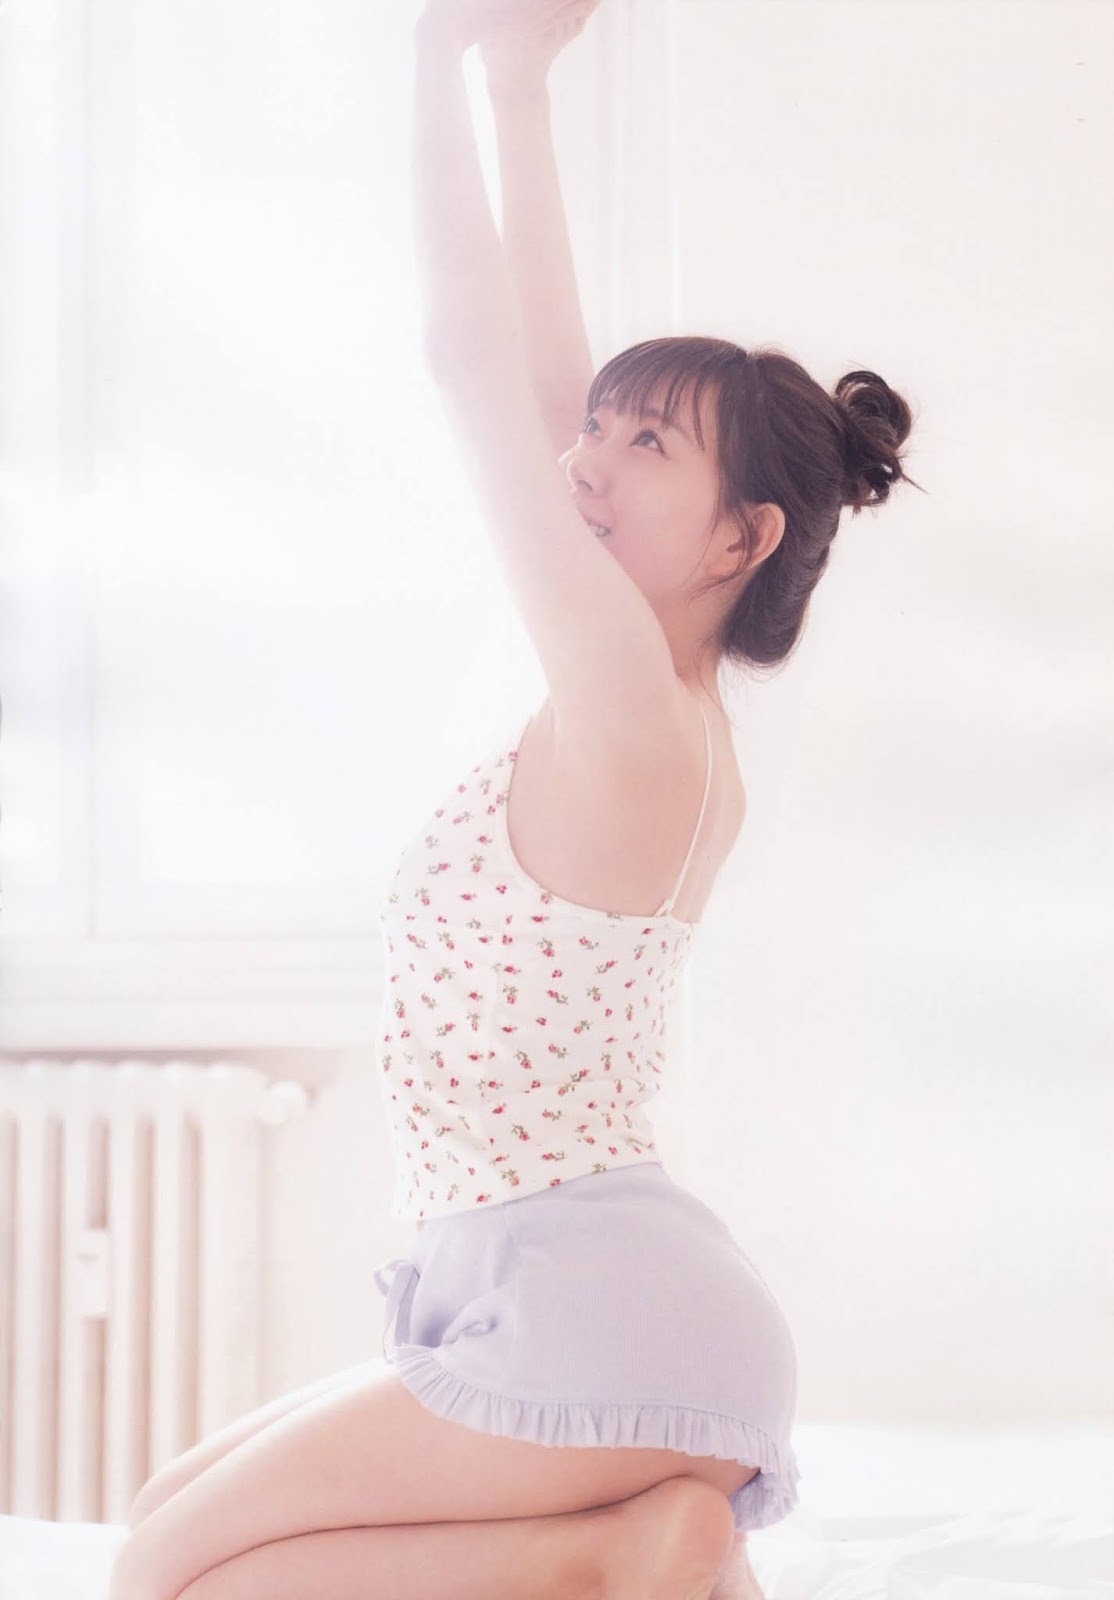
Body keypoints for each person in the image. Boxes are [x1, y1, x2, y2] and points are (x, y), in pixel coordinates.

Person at [109, 4, 920, 1599]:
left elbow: (470, 361)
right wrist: (518, 85)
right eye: (597, 432)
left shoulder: (630, 712)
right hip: (586, 1281)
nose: (587, 459)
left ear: (741, 538)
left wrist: (432, 53)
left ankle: (613, 1553)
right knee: (167, 1505)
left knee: (162, 1577)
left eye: (644, 444)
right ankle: (623, 1540)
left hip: (587, 1298)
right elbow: (550, 399)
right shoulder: (655, 708)